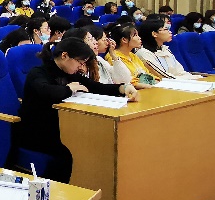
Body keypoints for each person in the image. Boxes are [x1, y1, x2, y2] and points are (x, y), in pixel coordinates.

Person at [13, 38, 135, 182]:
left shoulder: (69, 73)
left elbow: (95, 87)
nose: (81, 67)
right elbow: (47, 91)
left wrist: (122, 88)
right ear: (65, 56)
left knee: (92, 143)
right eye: (80, 62)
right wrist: (69, 89)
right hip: (36, 132)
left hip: (61, 127)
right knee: (74, 151)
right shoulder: (38, 73)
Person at [109, 23, 157, 88]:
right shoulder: (113, 57)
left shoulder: (133, 56)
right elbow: (126, 81)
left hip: (147, 87)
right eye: (135, 35)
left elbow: (147, 73)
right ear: (124, 40)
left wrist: (156, 81)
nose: (139, 38)